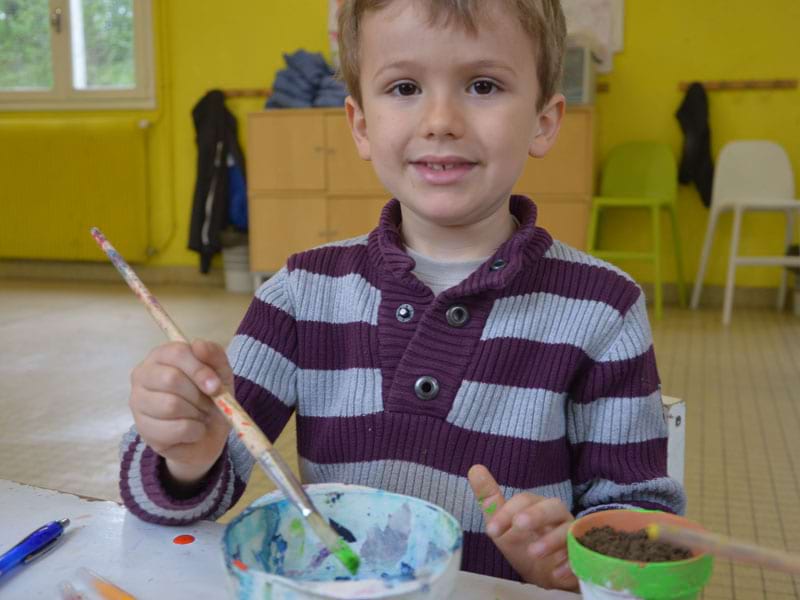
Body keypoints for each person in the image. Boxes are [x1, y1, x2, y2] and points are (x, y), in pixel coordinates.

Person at [120, 0, 685, 590]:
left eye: (483, 84)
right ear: (361, 125)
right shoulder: (299, 293)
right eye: (405, 86)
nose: (440, 119)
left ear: (544, 121)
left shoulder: (605, 308)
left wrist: (576, 560)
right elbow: (176, 509)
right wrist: (186, 453)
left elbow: (642, 518)